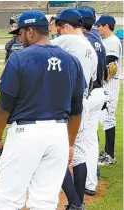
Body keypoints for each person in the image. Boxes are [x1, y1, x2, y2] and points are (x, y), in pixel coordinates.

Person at [0, 10, 86, 210]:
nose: (19, 37)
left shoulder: (19, 58)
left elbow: (3, 106)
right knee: (45, 201)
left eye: (20, 33)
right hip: (58, 134)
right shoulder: (72, 61)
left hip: (26, 134)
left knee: (7, 198)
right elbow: (77, 111)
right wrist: (69, 144)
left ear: (30, 31)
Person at [51, 9, 98, 206]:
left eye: (60, 29)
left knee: (56, 153)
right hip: (83, 103)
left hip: (67, 103)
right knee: (78, 153)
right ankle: (78, 203)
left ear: (67, 27)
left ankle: (74, 202)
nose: (58, 32)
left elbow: (39, 44)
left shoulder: (69, 40)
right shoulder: (90, 48)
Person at [77, 8, 106, 198]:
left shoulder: (82, 41)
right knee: (91, 140)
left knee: (81, 140)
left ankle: (83, 181)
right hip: (100, 91)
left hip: (88, 94)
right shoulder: (97, 39)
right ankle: (91, 182)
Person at [97, 15, 122, 166]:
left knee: (108, 118)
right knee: (102, 118)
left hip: (110, 84)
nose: (98, 28)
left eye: (99, 25)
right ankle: (106, 152)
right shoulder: (104, 40)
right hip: (104, 84)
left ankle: (110, 155)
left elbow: (109, 61)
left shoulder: (112, 41)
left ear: (106, 26)